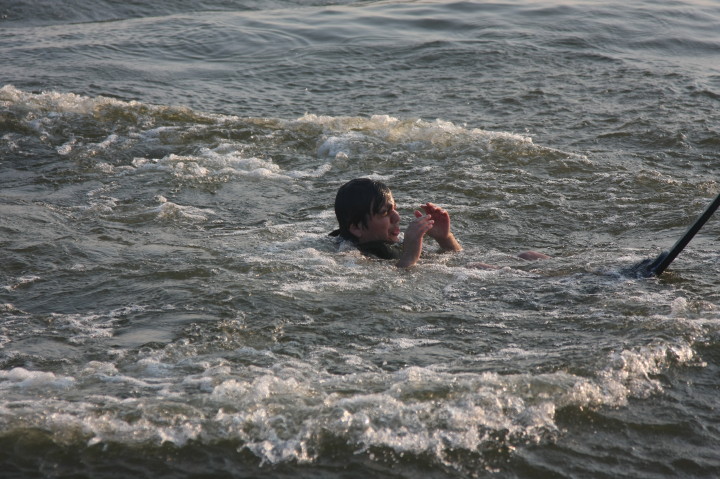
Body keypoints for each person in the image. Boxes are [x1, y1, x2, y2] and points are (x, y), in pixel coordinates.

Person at [329, 178, 548, 268]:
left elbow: (454, 258)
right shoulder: (351, 256)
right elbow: (394, 281)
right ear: (356, 228)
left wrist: (446, 238)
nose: (397, 217)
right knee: (478, 268)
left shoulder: (384, 240)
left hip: (452, 272)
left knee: (528, 255)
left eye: (394, 209)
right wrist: (411, 253)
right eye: (385, 213)